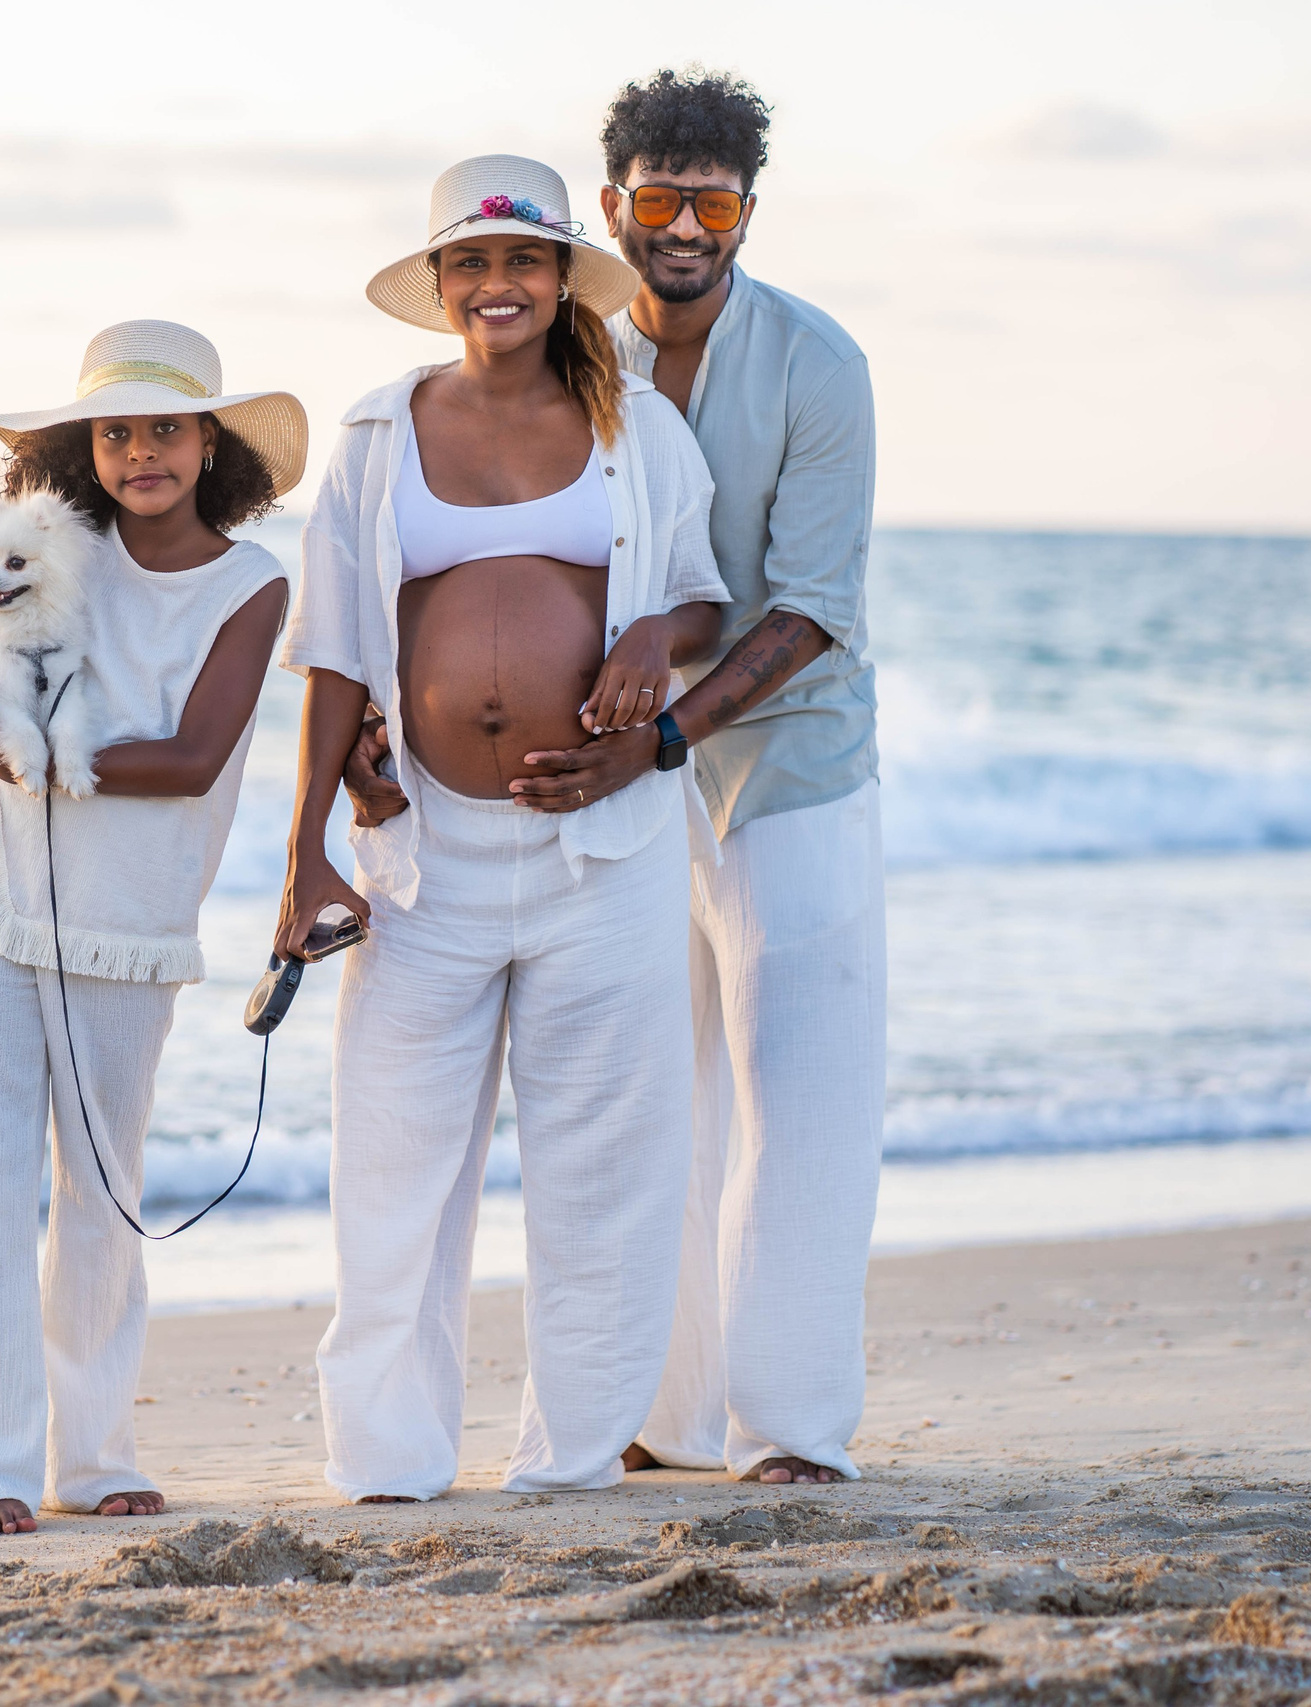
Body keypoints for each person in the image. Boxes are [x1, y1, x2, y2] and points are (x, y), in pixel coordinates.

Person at [352, 75, 885, 1486]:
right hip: (608, 790)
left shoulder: (818, 363)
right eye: (662, 199)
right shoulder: (576, 355)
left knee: (799, 1090)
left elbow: (812, 602)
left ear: (750, 213)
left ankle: (793, 1425)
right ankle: (665, 1412)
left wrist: (656, 734)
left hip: (784, 765)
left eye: (716, 201)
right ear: (616, 210)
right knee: (665, 1107)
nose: (688, 225)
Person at [279, 156, 730, 1503]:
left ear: (558, 277)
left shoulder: (636, 427)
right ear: (437, 284)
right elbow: (335, 655)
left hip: (606, 852)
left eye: (521, 262)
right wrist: (303, 848)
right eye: (471, 264)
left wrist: (652, 628)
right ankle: (387, 1458)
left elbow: (701, 599)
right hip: (423, 856)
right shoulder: (375, 434)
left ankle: (571, 1455)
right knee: (394, 1167)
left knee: (603, 1168)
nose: (496, 285)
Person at [0, 320, 303, 1535]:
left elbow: (189, 759)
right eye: (115, 432)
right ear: (87, 448)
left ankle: (93, 1451)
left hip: (133, 916)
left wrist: (14, 756)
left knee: (103, 1184)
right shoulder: (49, 546)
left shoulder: (251, 584)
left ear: (208, 443)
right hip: (1, 885)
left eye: (165, 429)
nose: (139, 454)